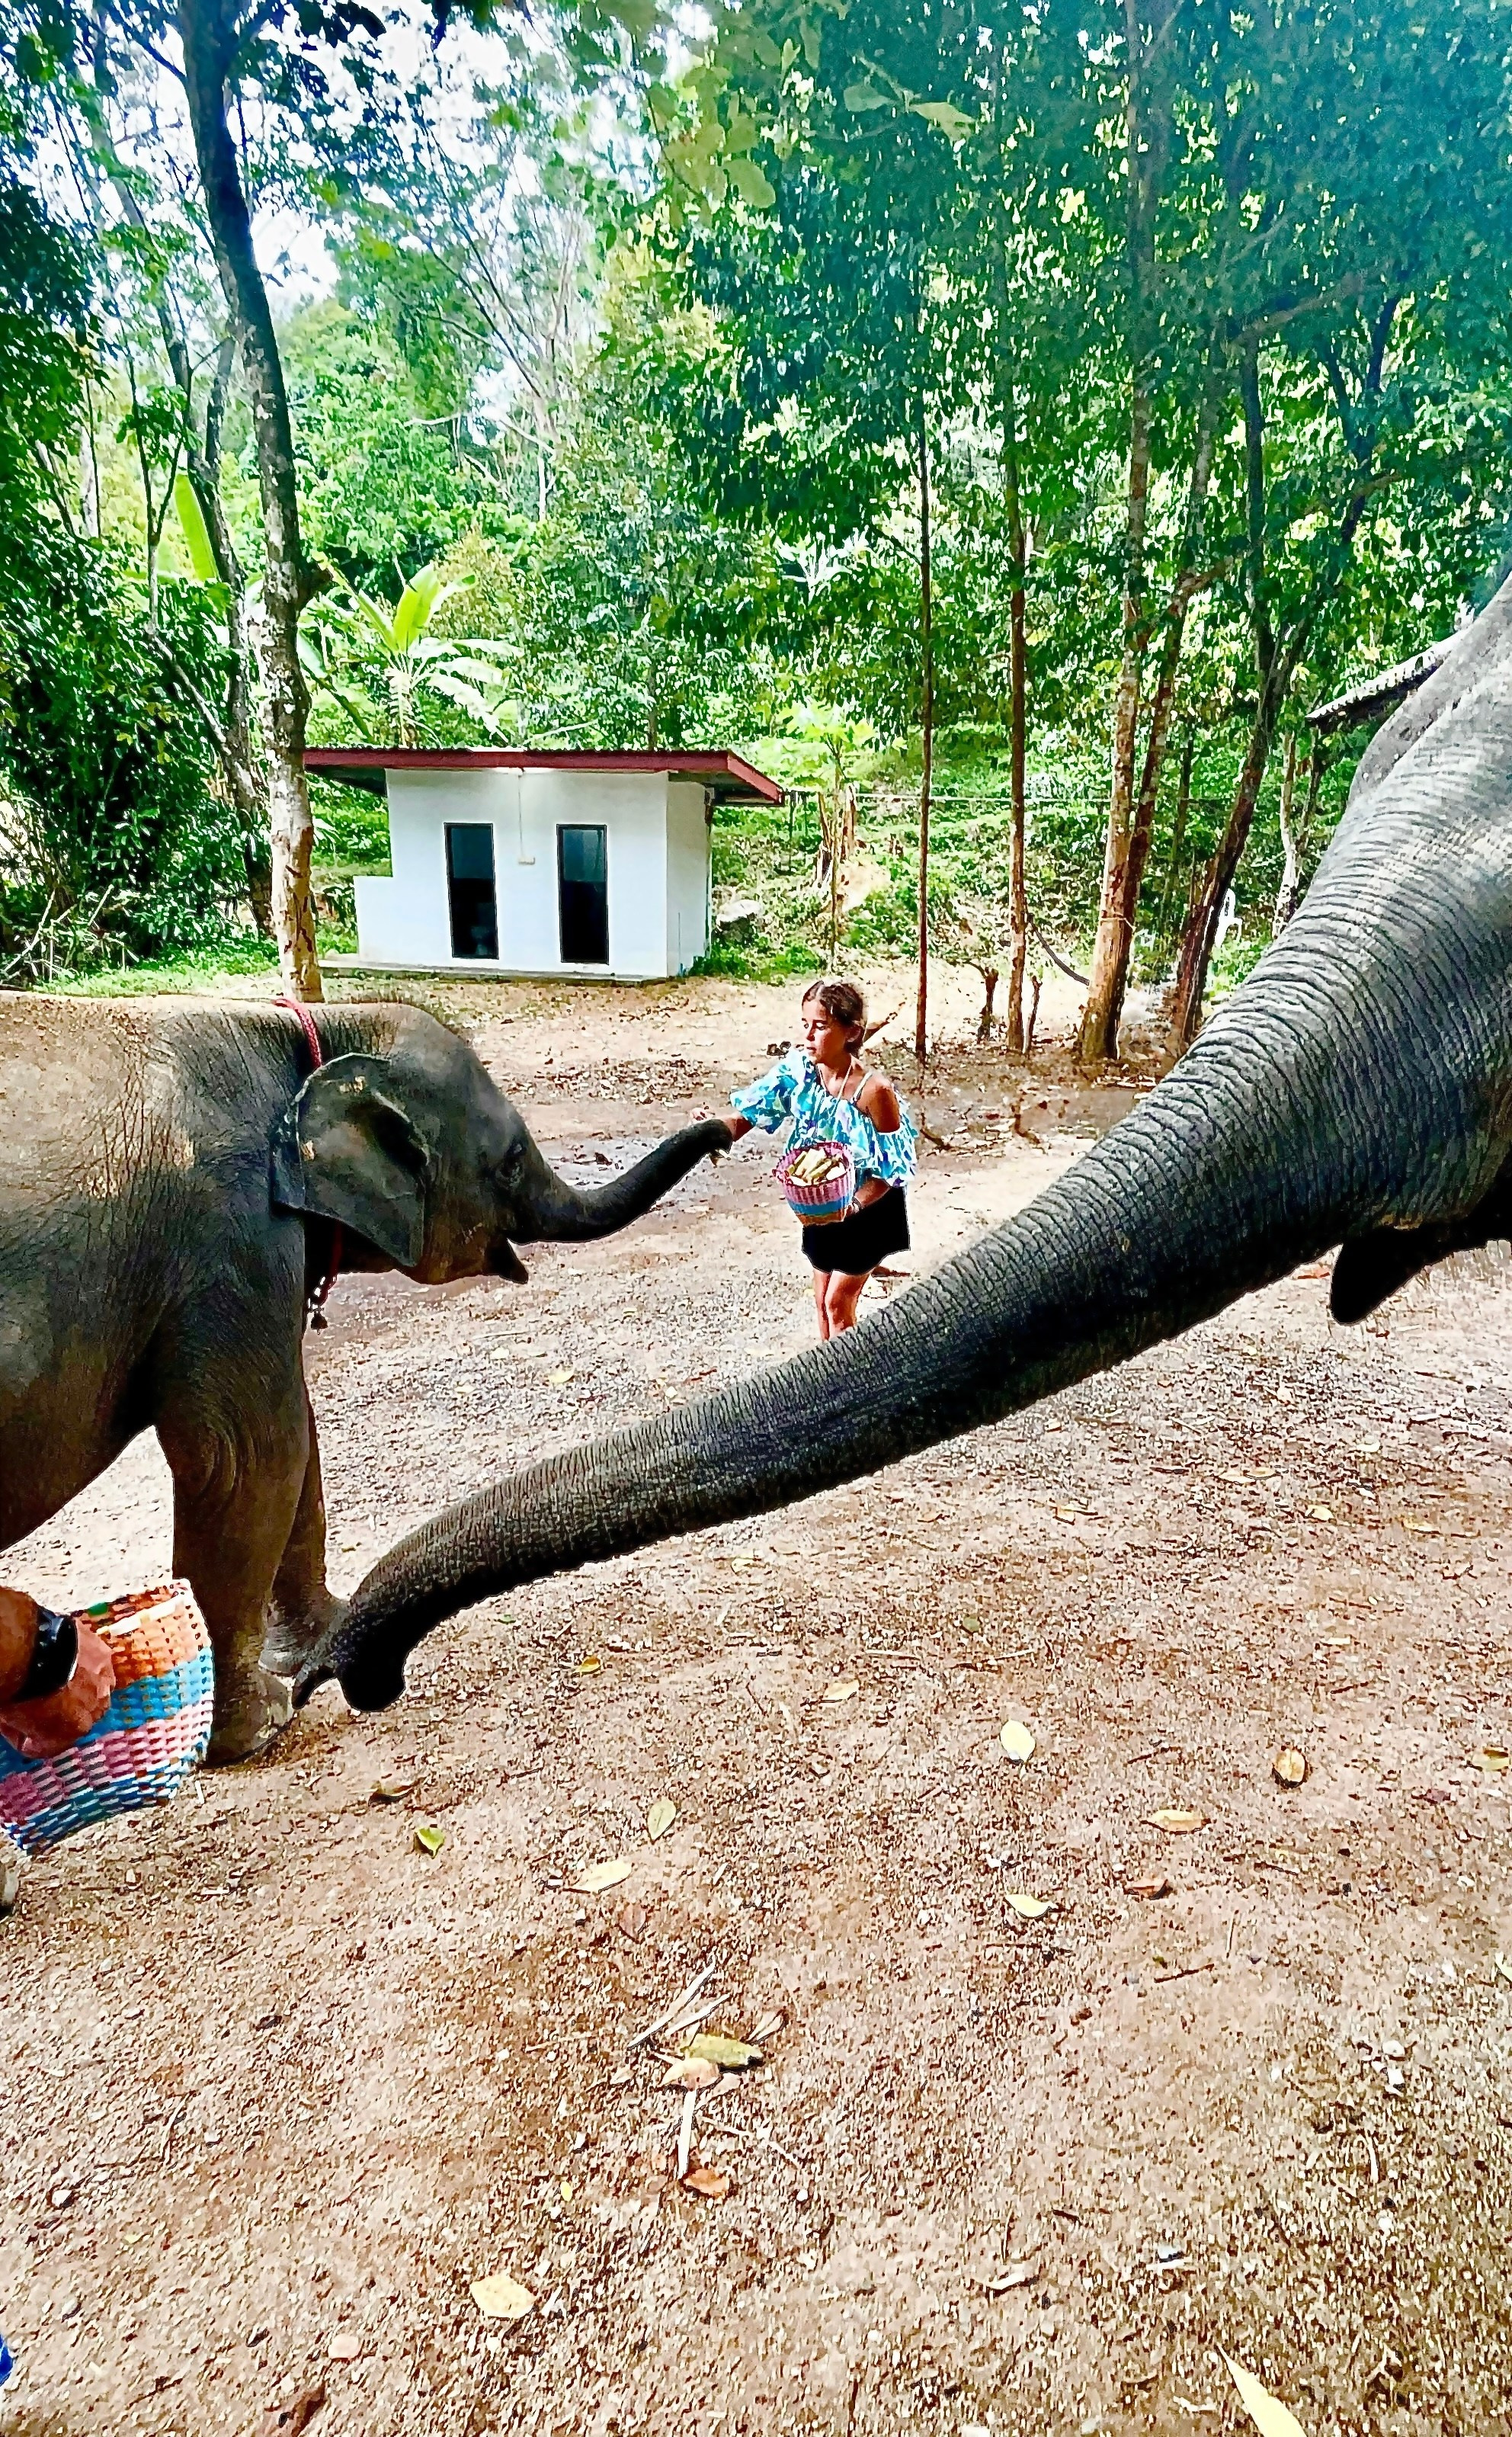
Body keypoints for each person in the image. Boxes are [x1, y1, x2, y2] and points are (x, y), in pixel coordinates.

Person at [726, 978, 917, 1338]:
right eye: (805, 1025)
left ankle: (854, 1387)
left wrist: (856, 1207)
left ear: (850, 1032)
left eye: (820, 1026)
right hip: (822, 1205)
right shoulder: (798, 1072)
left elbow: (896, 1167)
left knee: (837, 1304)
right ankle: (829, 1383)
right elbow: (748, 1114)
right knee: (820, 1301)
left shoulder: (875, 1091)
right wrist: (710, 1133)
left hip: (868, 1209)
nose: (808, 1036)